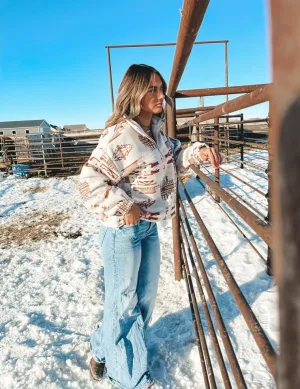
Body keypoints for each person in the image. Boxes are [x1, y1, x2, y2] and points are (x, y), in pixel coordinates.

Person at [78, 64, 222, 389]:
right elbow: (88, 181)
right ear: (135, 93)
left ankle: (101, 349)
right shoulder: (120, 135)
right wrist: (124, 204)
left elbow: (178, 156)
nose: (161, 95)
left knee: (143, 301)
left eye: (161, 88)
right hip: (122, 233)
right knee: (125, 304)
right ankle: (129, 379)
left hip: (148, 228)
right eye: (152, 89)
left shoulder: (156, 132)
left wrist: (200, 151)